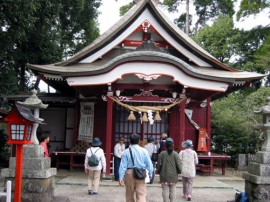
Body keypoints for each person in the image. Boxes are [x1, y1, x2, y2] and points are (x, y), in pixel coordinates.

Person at [119, 134, 153, 202]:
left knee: (129, 195)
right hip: (141, 173)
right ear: (139, 141)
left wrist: (121, 177)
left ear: (130, 141)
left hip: (129, 173)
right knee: (141, 194)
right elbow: (149, 163)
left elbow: (123, 166)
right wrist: (150, 173)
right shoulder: (144, 151)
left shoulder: (126, 152)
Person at [157, 138, 181, 202]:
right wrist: (179, 171)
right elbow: (178, 165)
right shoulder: (176, 154)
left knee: (165, 191)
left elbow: (159, 164)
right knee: (173, 190)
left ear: (165, 145)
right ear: (173, 145)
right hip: (173, 175)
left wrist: (158, 171)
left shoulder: (162, 154)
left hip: (164, 175)